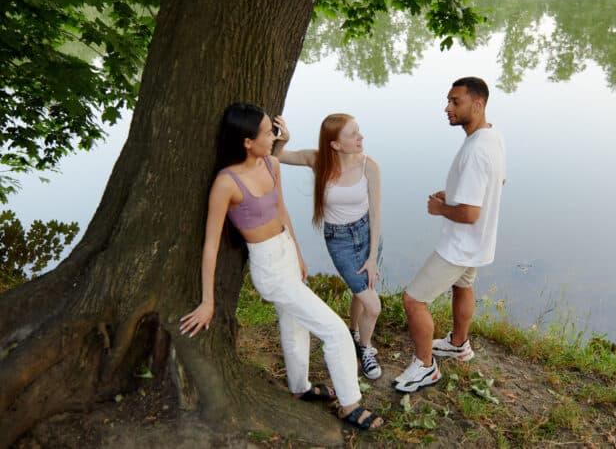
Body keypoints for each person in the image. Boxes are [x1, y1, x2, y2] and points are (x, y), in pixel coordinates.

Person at [179, 103, 383, 430]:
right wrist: (208, 301)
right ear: (247, 141)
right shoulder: (226, 183)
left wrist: (299, 254)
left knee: (294, 323)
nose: (273, 136)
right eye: (267, 132)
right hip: (269, 268)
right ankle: (350, 404)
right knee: (336, 333)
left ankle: (300, 387)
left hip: (287, 252)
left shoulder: (271, 164)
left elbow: (282, 213)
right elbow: (211, 244)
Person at [392, 77, 506, 393]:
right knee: (463, 285)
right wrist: (455, 192)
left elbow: (469, 214)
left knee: (414, 300)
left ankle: (425, 367)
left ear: (478, 104)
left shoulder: (475, 152)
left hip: (460, 245)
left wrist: (440, 208)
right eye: (449, 100)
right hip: (480, 243)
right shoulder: (492, 136)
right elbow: (497, 183)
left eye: (456, 102)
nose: (448, 108)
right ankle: (458, 344)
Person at [273, 113, 383, 380]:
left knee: (363, 292)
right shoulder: (317, 160)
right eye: (353, 134)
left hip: (367, 235)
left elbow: (377, 215)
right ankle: (366, 349)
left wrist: (371, 258)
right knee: (373, 305)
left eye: (359, 131)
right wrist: (283, 140)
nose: (361, 137)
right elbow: (278, 157)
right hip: (340, 241)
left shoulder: (369, 166)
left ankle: (356, 333)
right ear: (335, 144)